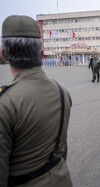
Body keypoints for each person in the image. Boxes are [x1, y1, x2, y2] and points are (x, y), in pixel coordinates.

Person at [0, 15, 72, 186]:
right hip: (61, 179)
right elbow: (62, 150)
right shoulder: (62, 92)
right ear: (41, 52)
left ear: (4, 54)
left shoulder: (5, 103)